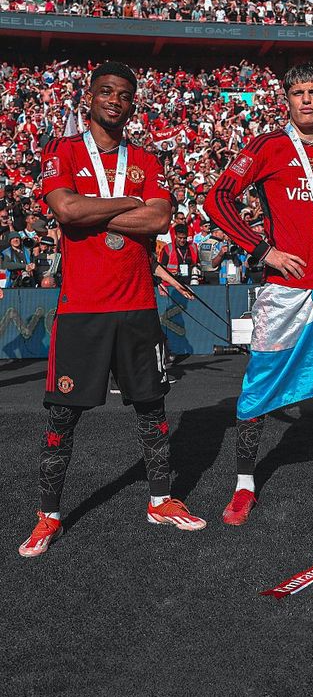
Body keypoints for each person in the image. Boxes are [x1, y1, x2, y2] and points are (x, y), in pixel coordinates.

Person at [18, 61, 206, 559]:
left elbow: (160, 216)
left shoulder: (148, 157)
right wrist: (126, 203)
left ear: (132, 103)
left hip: (138, 305)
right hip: (82, 308)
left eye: (124, 94)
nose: (115, 100)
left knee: (152, 410)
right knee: (62, 417)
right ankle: (49, 515)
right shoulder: (63, 149)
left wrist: (97, 205)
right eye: (106, 91)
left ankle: (161, 500)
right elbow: (66, 211)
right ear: (90, 96)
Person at [204, 61, 313, 525]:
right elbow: (217, 199)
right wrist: (264, 251)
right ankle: (244, 485)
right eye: (298, 91)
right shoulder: (267, 147)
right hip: (283, 293)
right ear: (287, 99)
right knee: (258, 387)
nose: (306, 99)